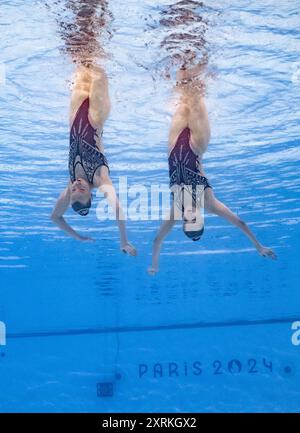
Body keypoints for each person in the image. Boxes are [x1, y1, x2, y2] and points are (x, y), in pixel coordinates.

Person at [148, 63, 276, 275]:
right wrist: (258, 246)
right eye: (195, 220)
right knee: (196, 93)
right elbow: (240, 223)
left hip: (173, 145)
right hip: (196, 144)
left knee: (183, 90)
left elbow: (157, 239)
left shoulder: (176, 211)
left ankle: (180, 52)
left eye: (187, 222)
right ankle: (202, 53)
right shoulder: (209, 203)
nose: (190, 217)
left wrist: (154, 264)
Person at [51, 64, 136, 255]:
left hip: (74, 117)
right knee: (98, 69)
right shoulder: (99, 179)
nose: (77, 185)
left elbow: (56, 217)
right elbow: (118, 209)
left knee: (82, 63)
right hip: (96, 117)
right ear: (90, 194)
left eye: (74, 190)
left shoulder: (70, 186)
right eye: (82, 189)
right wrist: (124, 241)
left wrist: (77, 236)